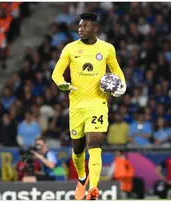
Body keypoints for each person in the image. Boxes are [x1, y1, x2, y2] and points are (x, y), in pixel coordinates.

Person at [51, 12, 126, 200]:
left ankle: (93, 188)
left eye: (85, 26)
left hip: (98, 104)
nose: (80, 29)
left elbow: (117, 71)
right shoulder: (70, 49)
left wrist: (121, 87)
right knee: (78, 150)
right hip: (76, 107)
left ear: (95, 28)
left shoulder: (107, 49)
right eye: (79, 26)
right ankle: (82, 177)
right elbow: (56, 74)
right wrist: (61, 83)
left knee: (94, 144)